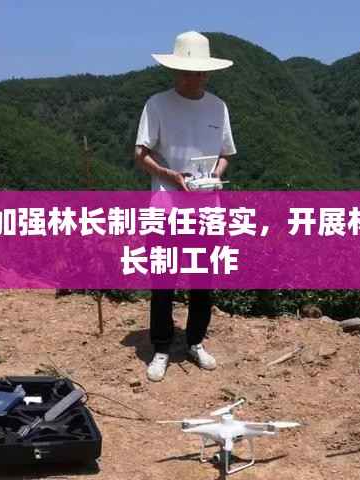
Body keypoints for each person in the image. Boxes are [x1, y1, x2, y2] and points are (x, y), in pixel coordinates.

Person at [134, 31, 236, 382]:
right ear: (175, 70)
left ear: (207, 72)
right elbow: (141, 154)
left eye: (199, 72)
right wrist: (168, 174)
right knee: (163, 282)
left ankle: (195, 341)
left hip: (207, 208)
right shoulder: (157, 105)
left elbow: (226, 153)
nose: (193, 77)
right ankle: (161, 347)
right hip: (166, 206)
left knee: (202, 282)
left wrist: (216, 175)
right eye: (186, 71)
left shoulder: (218, 107)